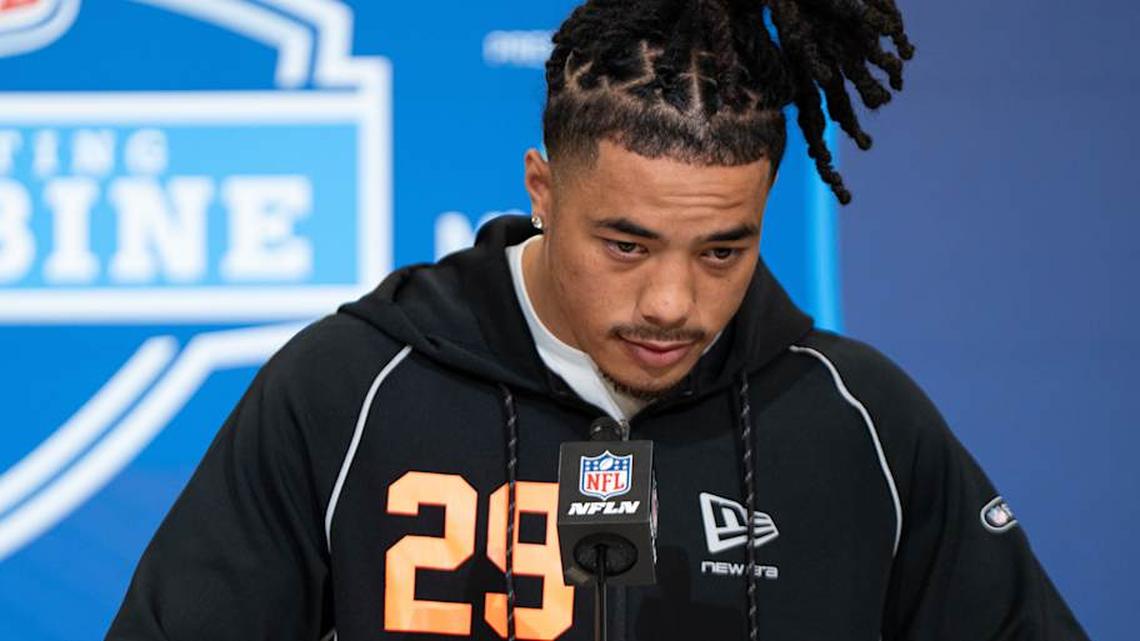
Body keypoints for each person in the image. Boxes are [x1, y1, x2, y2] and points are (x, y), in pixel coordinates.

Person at [106, 1, 1090, 640]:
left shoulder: (859, 419)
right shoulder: (348, 389)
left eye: (722, 250)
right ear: (543, 188)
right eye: (625, 244)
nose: (673, 303)